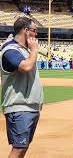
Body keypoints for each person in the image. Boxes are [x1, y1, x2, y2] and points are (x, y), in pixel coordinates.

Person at [0, 17, 44, 158]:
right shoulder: (9, 49)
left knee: (23, 147)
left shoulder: (24, 50)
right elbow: (26, 67)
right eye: (34, 31)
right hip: (19, 107)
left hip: (30, 107)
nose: (36, 34)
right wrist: (34, 49)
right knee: (18, 148)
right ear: (26, 31)